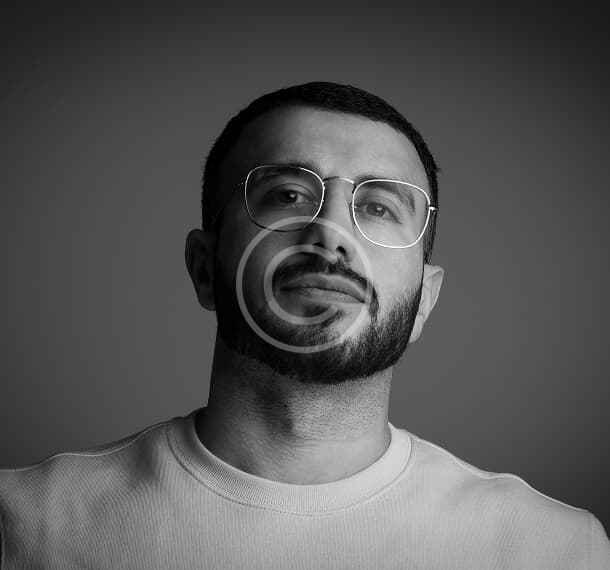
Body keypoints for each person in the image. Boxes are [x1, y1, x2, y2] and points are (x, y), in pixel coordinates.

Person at [0, 82, 608, 569]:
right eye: (288, 196)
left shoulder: (555, 551)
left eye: (378, 207)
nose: (331, 234)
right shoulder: (24, 525)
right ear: (205, 269)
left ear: (425, 300)